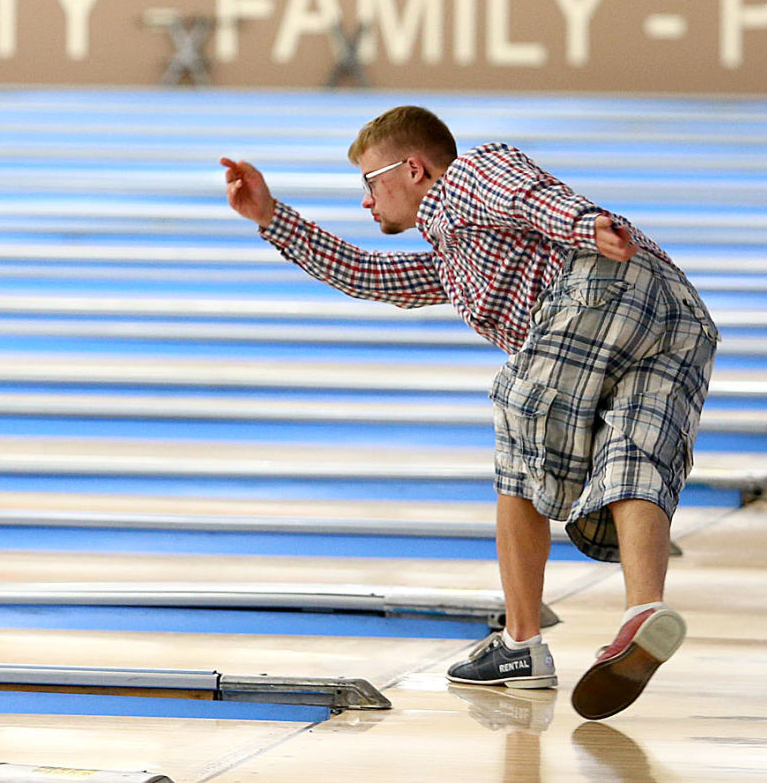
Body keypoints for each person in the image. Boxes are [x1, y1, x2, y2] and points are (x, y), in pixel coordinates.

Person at [220, 105, 717, 720]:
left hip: (600, 278)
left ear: (415, 169)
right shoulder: (454, 256)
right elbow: (371, 273)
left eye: (370, 184)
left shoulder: (468, 178)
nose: (367, 203)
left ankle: (521, 645)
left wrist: (585, 224)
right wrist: (272, 218)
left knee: (518, 421)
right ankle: (645, 610)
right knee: (635, 456)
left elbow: (527, 195)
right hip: (680, 319)